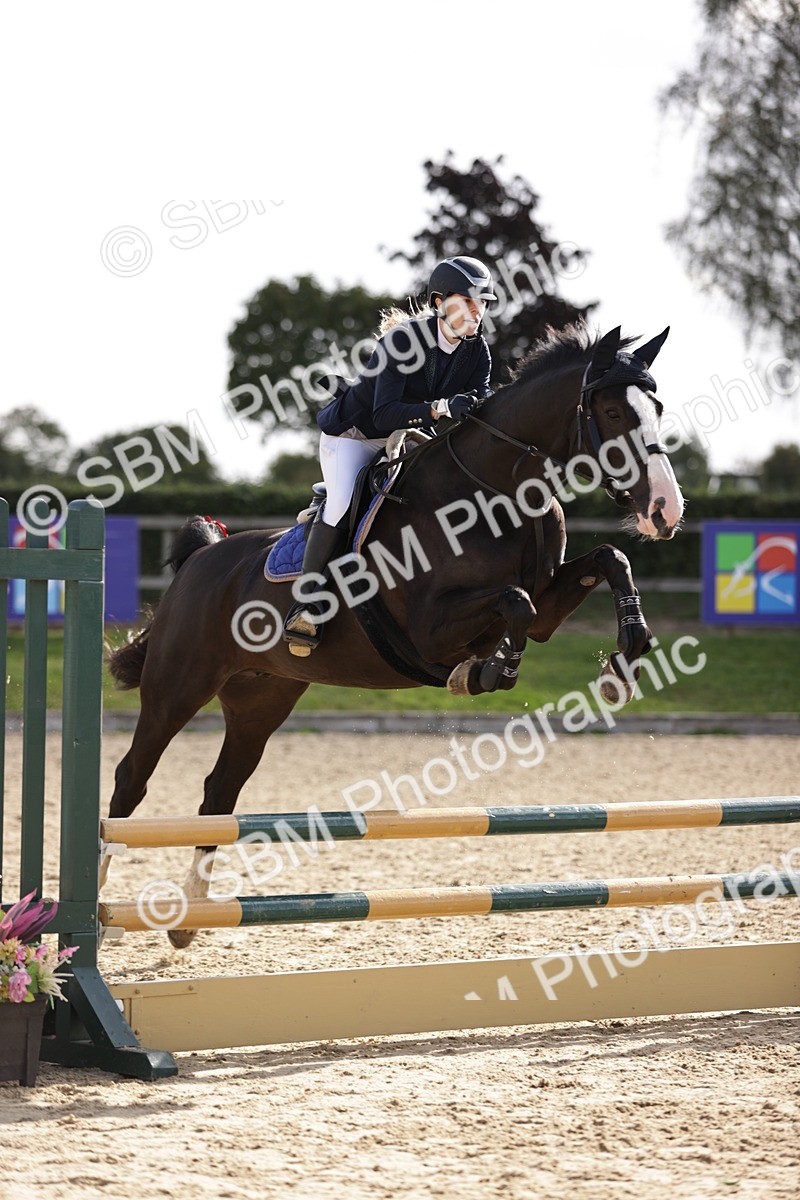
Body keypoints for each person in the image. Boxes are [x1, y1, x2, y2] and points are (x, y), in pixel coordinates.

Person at [282, 255, 497, 656]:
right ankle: (307, 604)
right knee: (344, 504)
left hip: (410, 437)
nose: (476, 310)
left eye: (481, 302)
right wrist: (441, 408)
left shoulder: (477, 352)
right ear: (438, 302)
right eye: (466, 300)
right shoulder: (403, 341)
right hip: (356, 435)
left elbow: (477, 409)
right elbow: (383, 414)